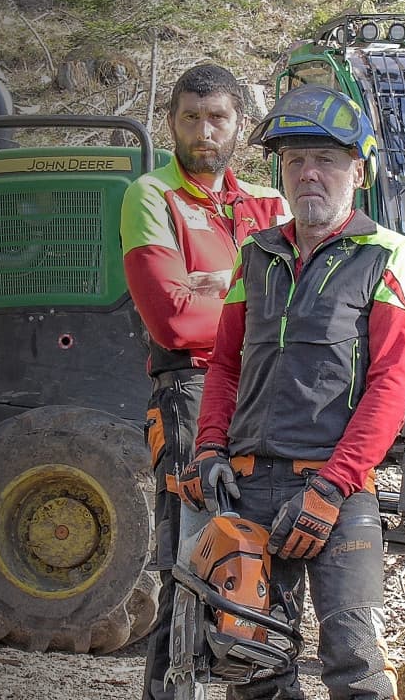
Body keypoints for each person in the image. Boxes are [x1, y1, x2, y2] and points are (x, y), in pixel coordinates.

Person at [181, 84, 405, 700]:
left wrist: (334, 485)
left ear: (358, 170)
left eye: (326, 159)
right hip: (250, 484)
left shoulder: (386, 255)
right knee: (252, 663)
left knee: (354, 658)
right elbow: (226, 365)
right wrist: (210, 447)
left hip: (338, 491)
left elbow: (392, 384)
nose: (309, 173)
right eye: (294, 160)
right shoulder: (255, 256)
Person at [120, 63, 291, 700]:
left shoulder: (271, 204)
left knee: (264, 560)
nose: (203, 131)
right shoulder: (151, 197)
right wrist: (254, 306)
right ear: (171, 122)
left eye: (217, 117)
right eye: (190, 118)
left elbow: (305, 307)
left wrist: (216, 288)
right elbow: (173, 321)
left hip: (267, 397)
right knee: (194, 564)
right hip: (189, 395)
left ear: (240, 125)